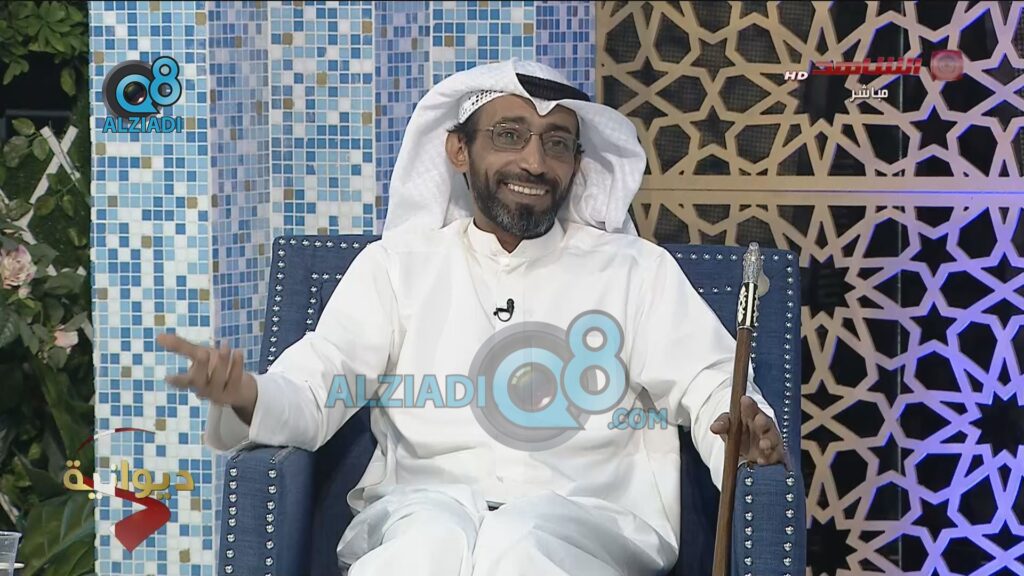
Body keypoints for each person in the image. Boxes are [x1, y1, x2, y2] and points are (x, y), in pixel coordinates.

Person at [156, 58, 786, 575]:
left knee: (520, 544)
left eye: (556, 144)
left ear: (576, 164)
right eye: (509, 135)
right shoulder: (399, 266)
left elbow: (709, 382)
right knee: (426, 549)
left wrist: (738, 431)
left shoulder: (635, 271)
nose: (534, 162)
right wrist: (248, 395)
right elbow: (318, 386)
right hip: (423, 510)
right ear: (458, 150)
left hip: (584, 522)